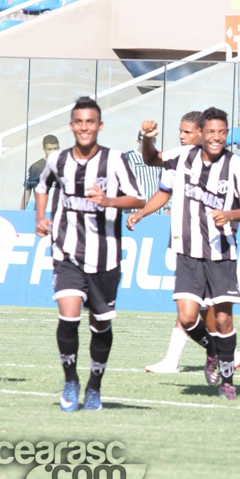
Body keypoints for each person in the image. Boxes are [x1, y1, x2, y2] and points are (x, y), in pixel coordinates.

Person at [127, 108, 240, 400]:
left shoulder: (235, 165)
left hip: (221, 252)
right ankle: (214, 350)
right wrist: (146, 139)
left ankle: (227, 376)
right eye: (211, 132)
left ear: (226, 134)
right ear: (204, 134)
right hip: (187, 251)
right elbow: (151, 162)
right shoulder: (182, 157)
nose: (215, 137)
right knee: (188, 317)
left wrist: (233, 216)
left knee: (222, 320)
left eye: (220, 132)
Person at [34, 97, 145, 411]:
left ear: (99, 126)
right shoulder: (58, 160)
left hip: (105, 259)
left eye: (90, 122)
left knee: (101, 325)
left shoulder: (115, 160)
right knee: (68, 316)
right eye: (79, 122)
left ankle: (94, 386)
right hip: (66, 252)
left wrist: (109, 201)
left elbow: (137, 198)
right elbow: (42, 187)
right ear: (72, 126)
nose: (85, 127)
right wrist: (41, 217)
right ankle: (71, 381)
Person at [124, 131, 162, 214]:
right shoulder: (128, 157)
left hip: (154, 211)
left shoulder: (159, 159)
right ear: (138, 142)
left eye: (152, 141)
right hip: (133, 212)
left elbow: (164, 184)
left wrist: (166, 207)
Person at [21, 134, 60, 209]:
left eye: (55, 148)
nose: (52, 152)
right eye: (49, 149)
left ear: (59, 148)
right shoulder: (35, 167)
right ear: (44, 149)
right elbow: (27, 194)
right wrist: (21, 215)